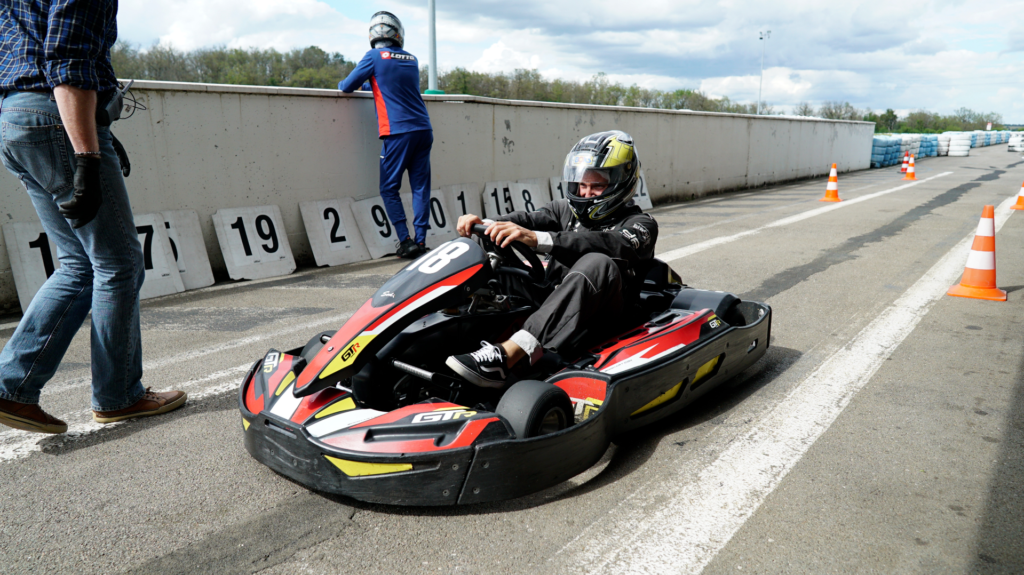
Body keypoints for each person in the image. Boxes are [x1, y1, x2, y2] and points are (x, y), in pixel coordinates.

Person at [0, 0, 186, 435]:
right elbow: (68, 60)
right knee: (118, 263)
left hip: (15, 118)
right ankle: (119, 395)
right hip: (57, 117)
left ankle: (11, 386)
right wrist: (86, 154)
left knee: (80, 266)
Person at [446, 131, 658, 387]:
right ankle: (446, 328)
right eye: (582, 184)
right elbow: (525, 220)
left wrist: (538, 239)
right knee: (490, 242)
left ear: (621, 183)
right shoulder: (563, 211)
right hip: (552, 299)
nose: (587, 192)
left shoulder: (641, 225)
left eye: (597, 185)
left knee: (597, 262)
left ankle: (508, 355)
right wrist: (487, 223)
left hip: (601, 318)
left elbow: (607, 244)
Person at [339, 11, 433, 259]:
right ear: (398, 34)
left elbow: (346, 86)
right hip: (424, 128)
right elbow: (392, 83)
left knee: (389, 188)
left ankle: (405, 241)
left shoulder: (373, 56)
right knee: (420, 187)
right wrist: (371, 83)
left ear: (372, 34)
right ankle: (421, 241)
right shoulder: (411, 59)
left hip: (398, 132)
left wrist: (362, 82)